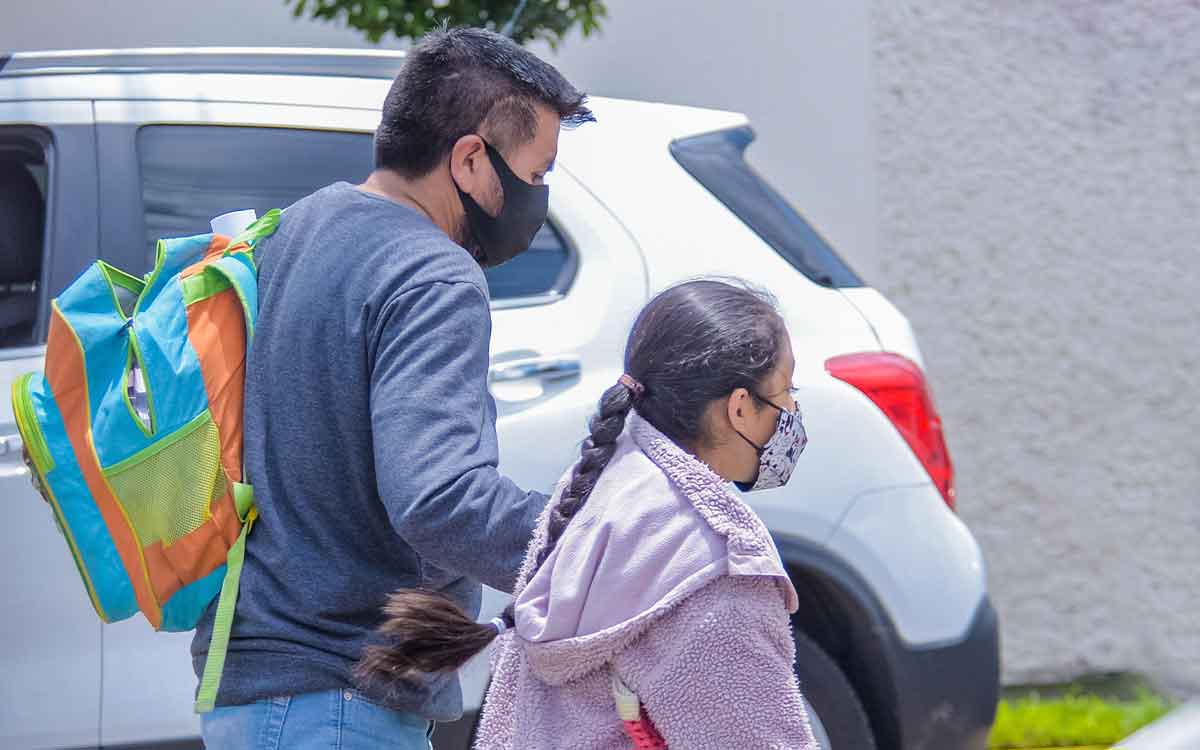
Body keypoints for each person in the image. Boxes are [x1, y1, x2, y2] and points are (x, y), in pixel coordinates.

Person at [195, 27, 593, 750]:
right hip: (341, 698)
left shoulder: (292, 232)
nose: (537, 198)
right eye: (537, 173)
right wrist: (590, 543)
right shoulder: (432, 273)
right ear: (471, 158)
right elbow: (438, 499)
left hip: (253, 685)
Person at [359, 280, 820, 749]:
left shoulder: (602, 493)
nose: (792, 411)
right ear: (740, 408)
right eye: (785, 391)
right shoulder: (715, 566)